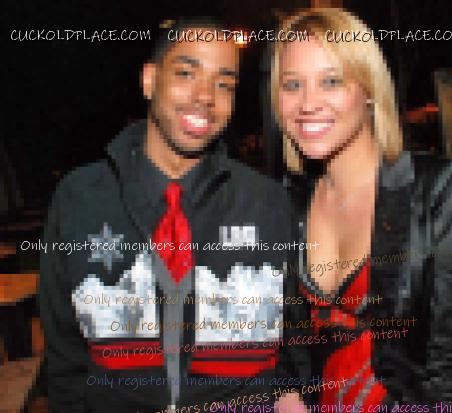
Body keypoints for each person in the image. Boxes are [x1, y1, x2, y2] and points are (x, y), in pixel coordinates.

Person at [40, 17, 308, 413]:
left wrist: (288, 393)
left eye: (224, 84)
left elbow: (294, 341)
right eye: (186, 73)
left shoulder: (267, 203)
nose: (205, 96)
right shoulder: (80, 198)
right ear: (150, 81)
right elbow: (64, 356)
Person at [271, 8, 452, 410]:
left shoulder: (438, 192)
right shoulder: (288, 203)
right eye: (292, 84)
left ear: (370, 89)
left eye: (331, 81)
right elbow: (286, 344)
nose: (308, 102)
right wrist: (285, 392)